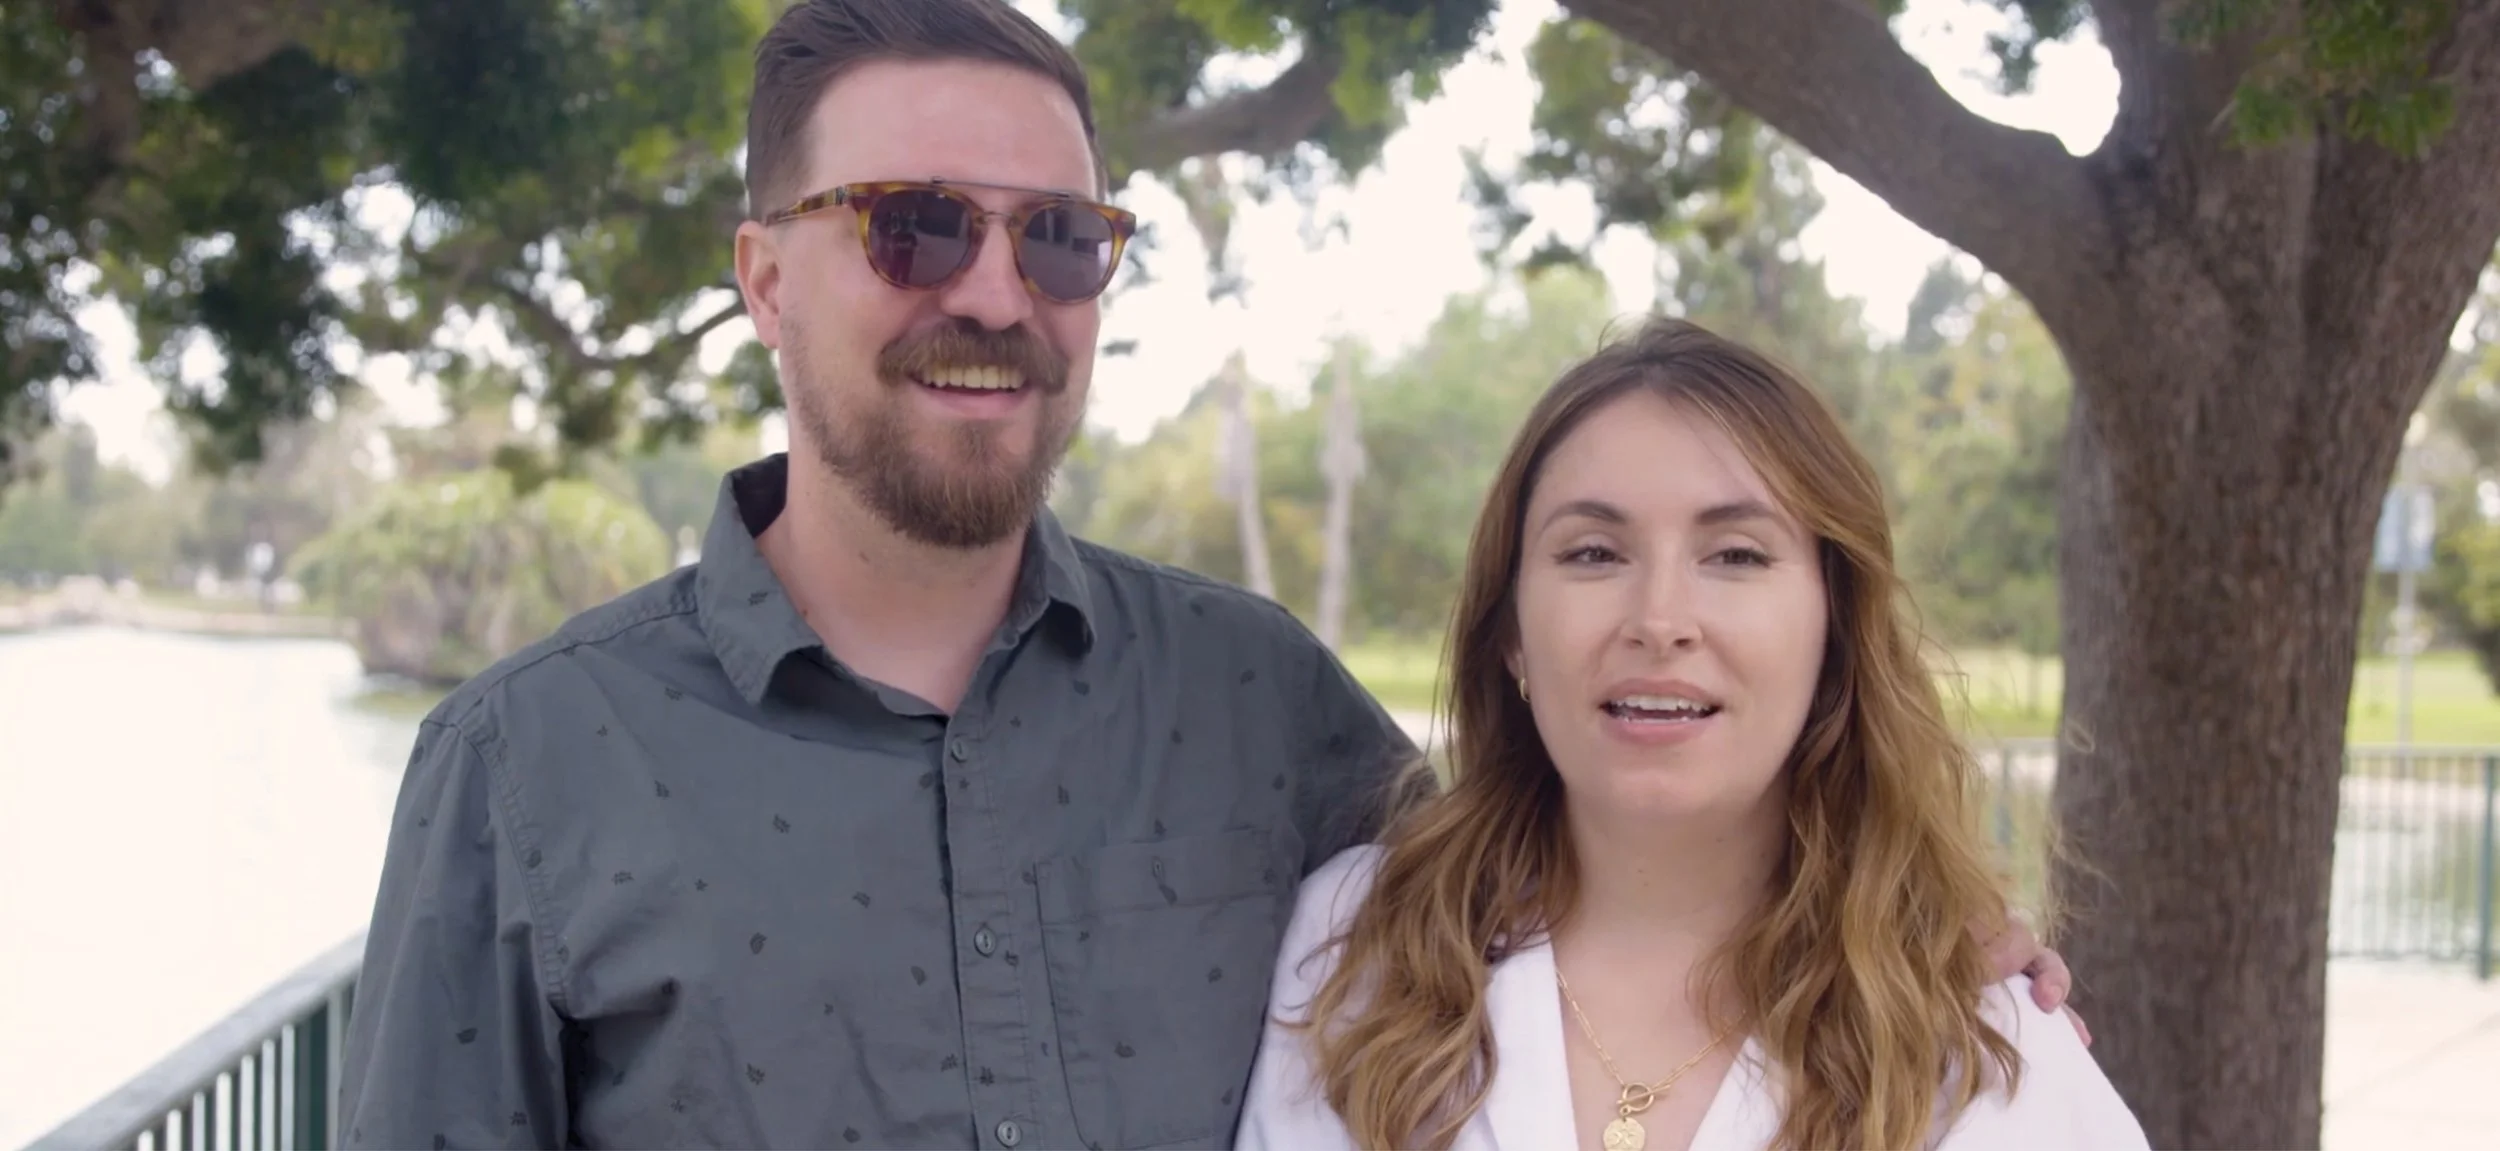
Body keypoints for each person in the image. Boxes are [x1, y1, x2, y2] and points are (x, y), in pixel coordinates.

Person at [334, 2, 2079, 1148]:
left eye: (1060, 236)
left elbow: (1570, 877)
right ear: (766, 277)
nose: (994, 294)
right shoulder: (525, 769)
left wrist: (1920, 925)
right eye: (913, 224)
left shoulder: (1257, 698)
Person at [1235, 316, 2144, 1151]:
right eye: (1594, 553)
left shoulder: (1979, 1049)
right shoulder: (1348, 954)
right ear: (1510, 629)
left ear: (1835, 627)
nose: (1660, 620)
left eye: (1736, 555)